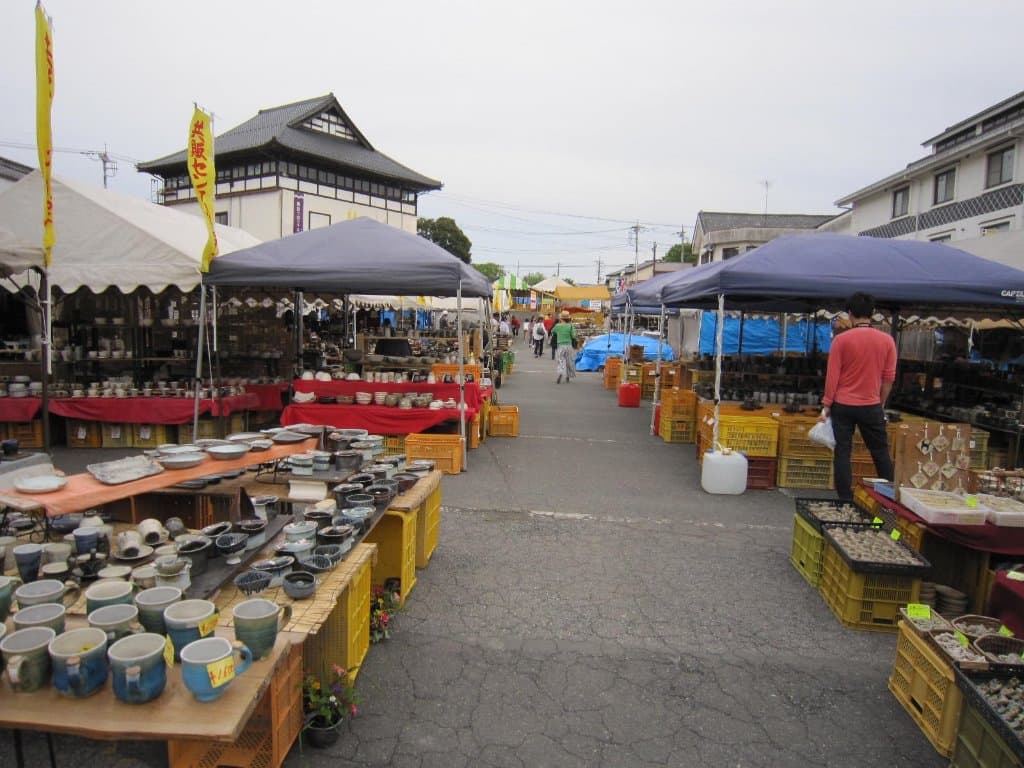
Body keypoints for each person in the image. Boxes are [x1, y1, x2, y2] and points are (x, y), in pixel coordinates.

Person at [818, 292, 896, 503]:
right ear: (873, 313)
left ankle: (845, 498)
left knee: (843, 452)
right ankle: (888, 498)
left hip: (842, 404)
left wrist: (826, 404)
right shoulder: (887, 340)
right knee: (880, 451)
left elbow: (833, 376)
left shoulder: (841, 340)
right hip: (871, 404)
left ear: (850, 313)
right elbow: (888, 378)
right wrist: (880, 403)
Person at [550, 310, 577, 384]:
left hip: (560, 346)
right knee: (569, 361)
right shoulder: (570, 326)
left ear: (561, 318)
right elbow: (574, 336)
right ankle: (568, 376)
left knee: (560, 360)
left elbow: (552, 331)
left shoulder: (557, 326)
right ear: (568, 318)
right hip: (568, 345)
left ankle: (561, 373)